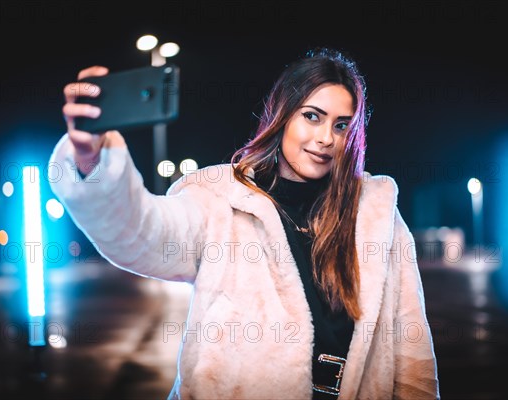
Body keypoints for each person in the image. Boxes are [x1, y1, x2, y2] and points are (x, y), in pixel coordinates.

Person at [50, 47, 440, 399]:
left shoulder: (375, 215)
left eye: (341, 125)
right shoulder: (221, 199)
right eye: (311, 117)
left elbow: (412, 352)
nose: (325, 138)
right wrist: (91, 161)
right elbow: (140, 233)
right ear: (282, 115)